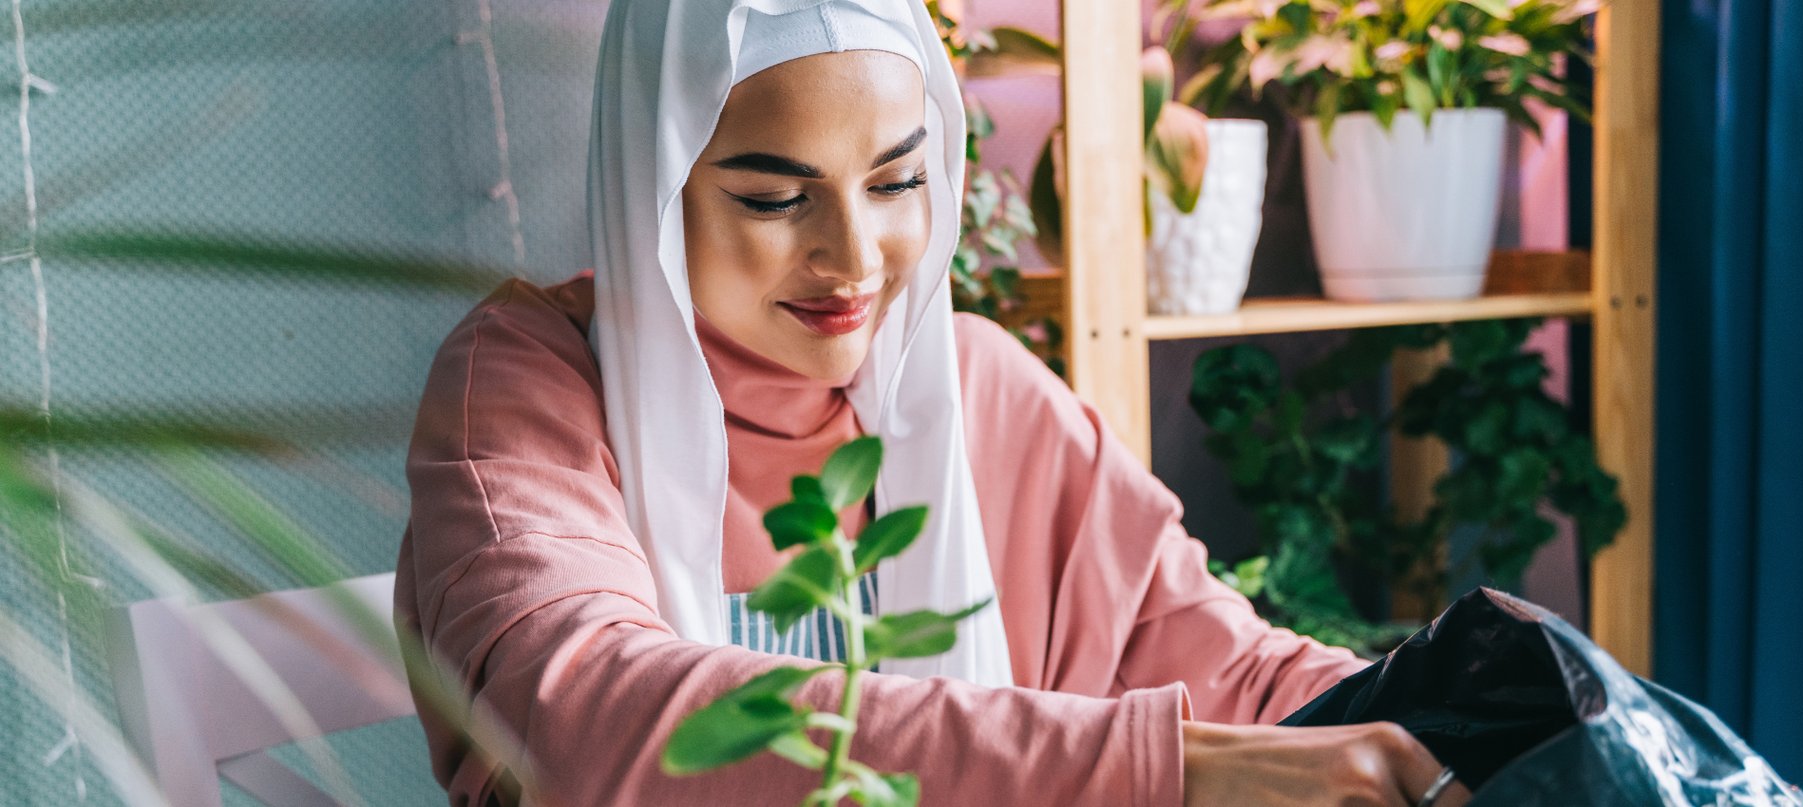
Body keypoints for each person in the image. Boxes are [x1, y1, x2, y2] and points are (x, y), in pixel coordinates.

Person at [394, 0, 1473, 804]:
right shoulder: (531, 385)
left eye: (897, 182)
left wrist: (1471, 712)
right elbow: (585, 718)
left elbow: (1233, 670)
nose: (854, 259)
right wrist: (1165, 771)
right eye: (775, 198)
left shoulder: (979, 394)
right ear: (653, 186)